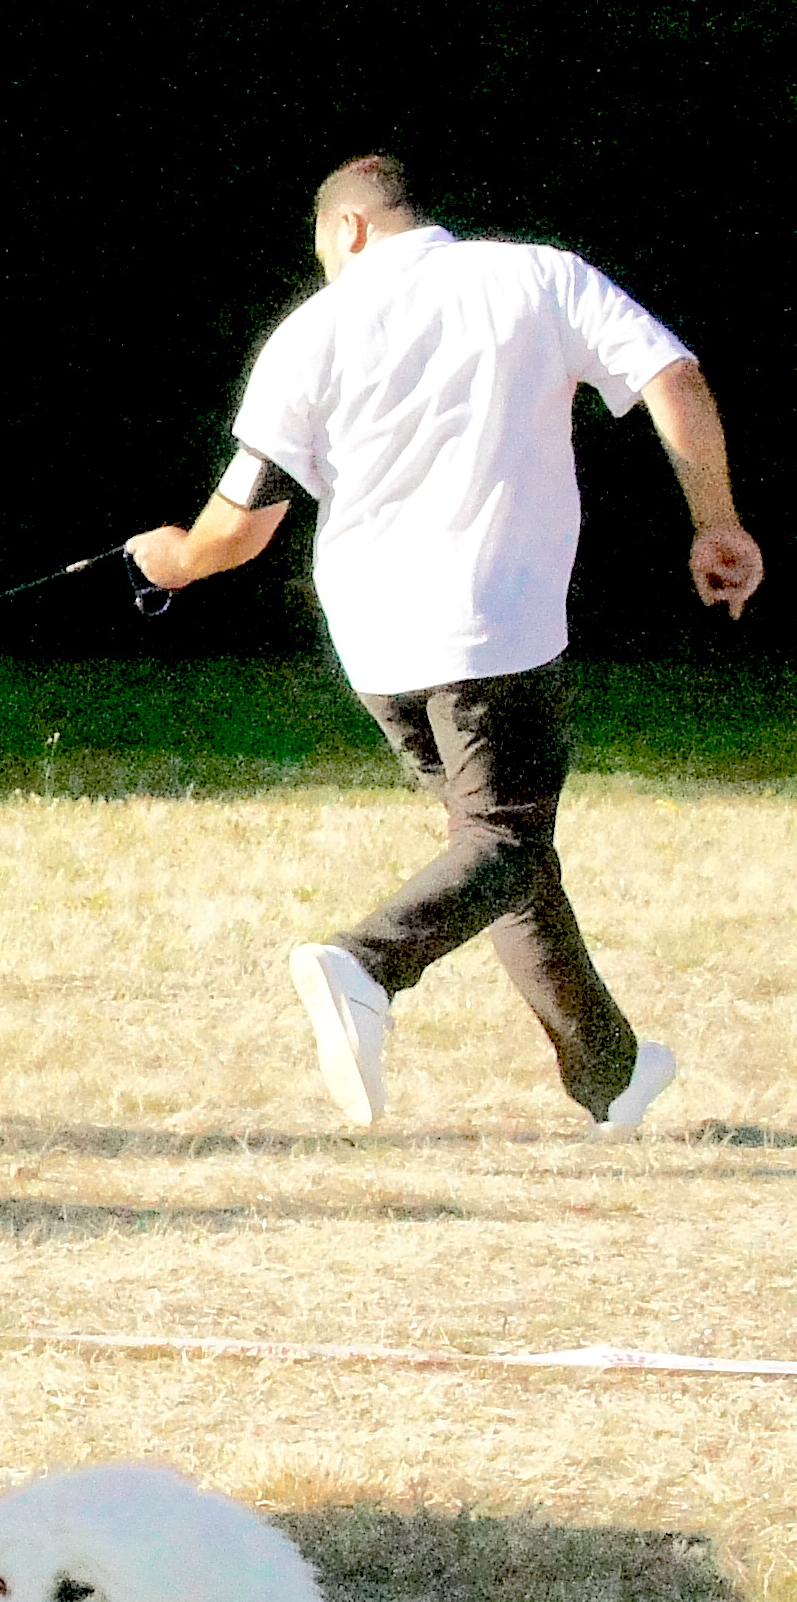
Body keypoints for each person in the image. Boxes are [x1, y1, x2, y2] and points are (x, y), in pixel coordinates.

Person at [127, 155, 758, 1133]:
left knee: (493, 848)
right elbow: (669, 375)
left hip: (374, 643)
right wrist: (713, 519)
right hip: (495, 625)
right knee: (502, 839)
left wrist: (168, 559)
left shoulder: (309, 333)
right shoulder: (535, 277)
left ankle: (611, 1074)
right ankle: (364, 962)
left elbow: (239, 522)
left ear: (346, 231)